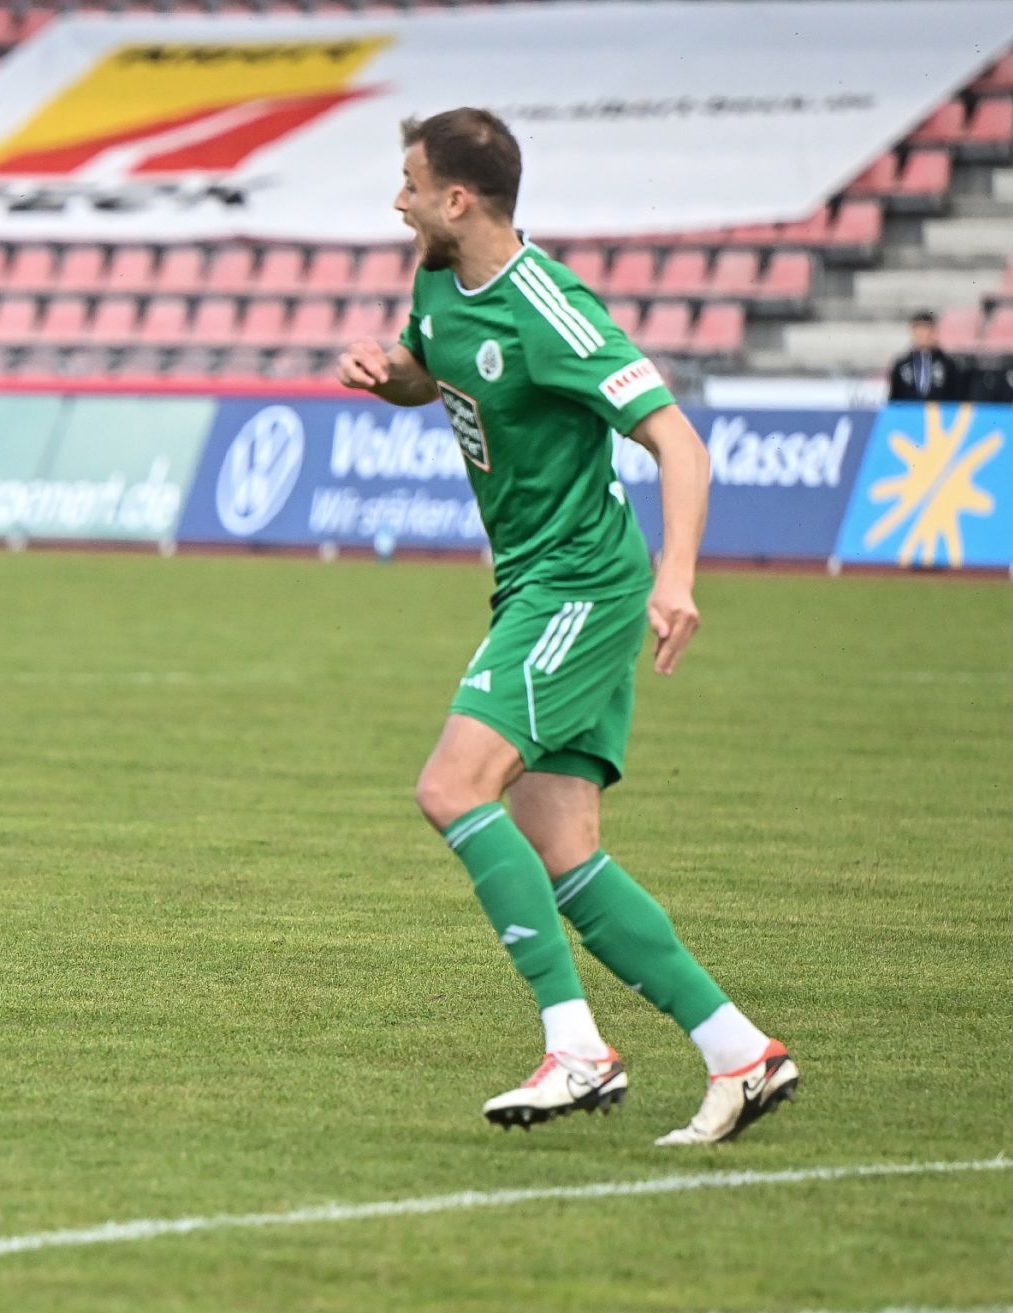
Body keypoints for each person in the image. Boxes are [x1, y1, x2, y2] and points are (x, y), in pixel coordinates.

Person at [337, 108, 797, 1145]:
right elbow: (429, 369)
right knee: (561, 849)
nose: (398, 202)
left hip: (579, 584)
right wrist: (386, 372)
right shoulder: (436, 279)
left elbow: (679, 443)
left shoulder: (551, 307)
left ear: (460, 199)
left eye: (411, 185)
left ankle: (576, 1047)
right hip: (532, 584)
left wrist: (676, 577)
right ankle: (740, 1052)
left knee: (451, 787)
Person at [886, 311, 969, 402]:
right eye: (918, 330)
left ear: (934, 331)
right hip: (909, 410)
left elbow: (956, 396)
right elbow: (894, 398)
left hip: (939, 410)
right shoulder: (902, 365)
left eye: (926, 329)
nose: (923, 334)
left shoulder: (948, 364)